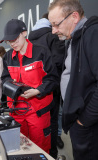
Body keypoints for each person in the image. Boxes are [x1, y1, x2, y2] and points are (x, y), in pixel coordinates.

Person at [48, 0, 98, 159]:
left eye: (56, 24)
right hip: (81, 121)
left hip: (90, 124)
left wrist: (84, 121)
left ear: (74, 16)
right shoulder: (75, 38)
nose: (54, 31)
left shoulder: (96, 33)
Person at [0, 19, 58, 153]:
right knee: (21, 148)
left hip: (37, 112)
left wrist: (38, 90)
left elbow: (53, 78)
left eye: (15, 39)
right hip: (16, 111)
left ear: (24, 33)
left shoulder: (41, 52)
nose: (12, 44)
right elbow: (4, 78)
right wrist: (13, 89)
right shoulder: (8, 57)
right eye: (9, 41)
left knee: (40, 148)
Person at [28, 13, 65, 159]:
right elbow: (58, 62)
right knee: (53, 120)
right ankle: (52, 154)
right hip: (51, 86)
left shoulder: (30, 38)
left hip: (34, 87)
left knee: (37, 121)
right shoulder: (52, 36)